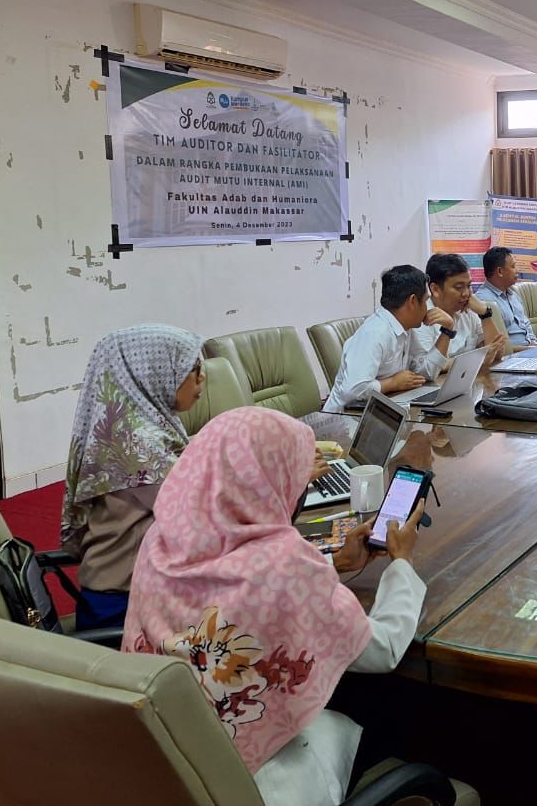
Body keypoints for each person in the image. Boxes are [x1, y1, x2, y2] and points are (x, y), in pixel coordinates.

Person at [122, 407, 429, 806]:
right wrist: (402, 564)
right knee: (400, 714)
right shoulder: (283, 562)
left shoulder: (160, 539)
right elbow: (382, 650)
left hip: (170, 754)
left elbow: (236, 595)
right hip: (266, 779)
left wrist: (334, 563)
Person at [60, 323, 204, 630]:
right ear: (154, 372)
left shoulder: (138, 426)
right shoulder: (134, 444)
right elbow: (199, 509)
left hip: (137, 589)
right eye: (192, 369)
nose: (201, 378)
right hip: (124, 606)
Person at [324, 265, 431, 412]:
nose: (427, 308)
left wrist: (447, 331)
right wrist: (393, 383)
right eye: (425, 301)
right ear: (412, 301)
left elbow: (423, 371)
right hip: (346, 422)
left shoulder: (405, 327)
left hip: (381, 411)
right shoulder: (375, 332)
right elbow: (352, 390)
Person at [475, 246, 537, 351]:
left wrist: (536, 345)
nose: (517, 271)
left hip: (530, 351)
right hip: (510, 358)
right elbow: (495, 345)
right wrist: (531, 349)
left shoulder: (513, 293)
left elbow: (526, 324)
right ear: (500, 271)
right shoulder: (483, 301)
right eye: (513, 266)